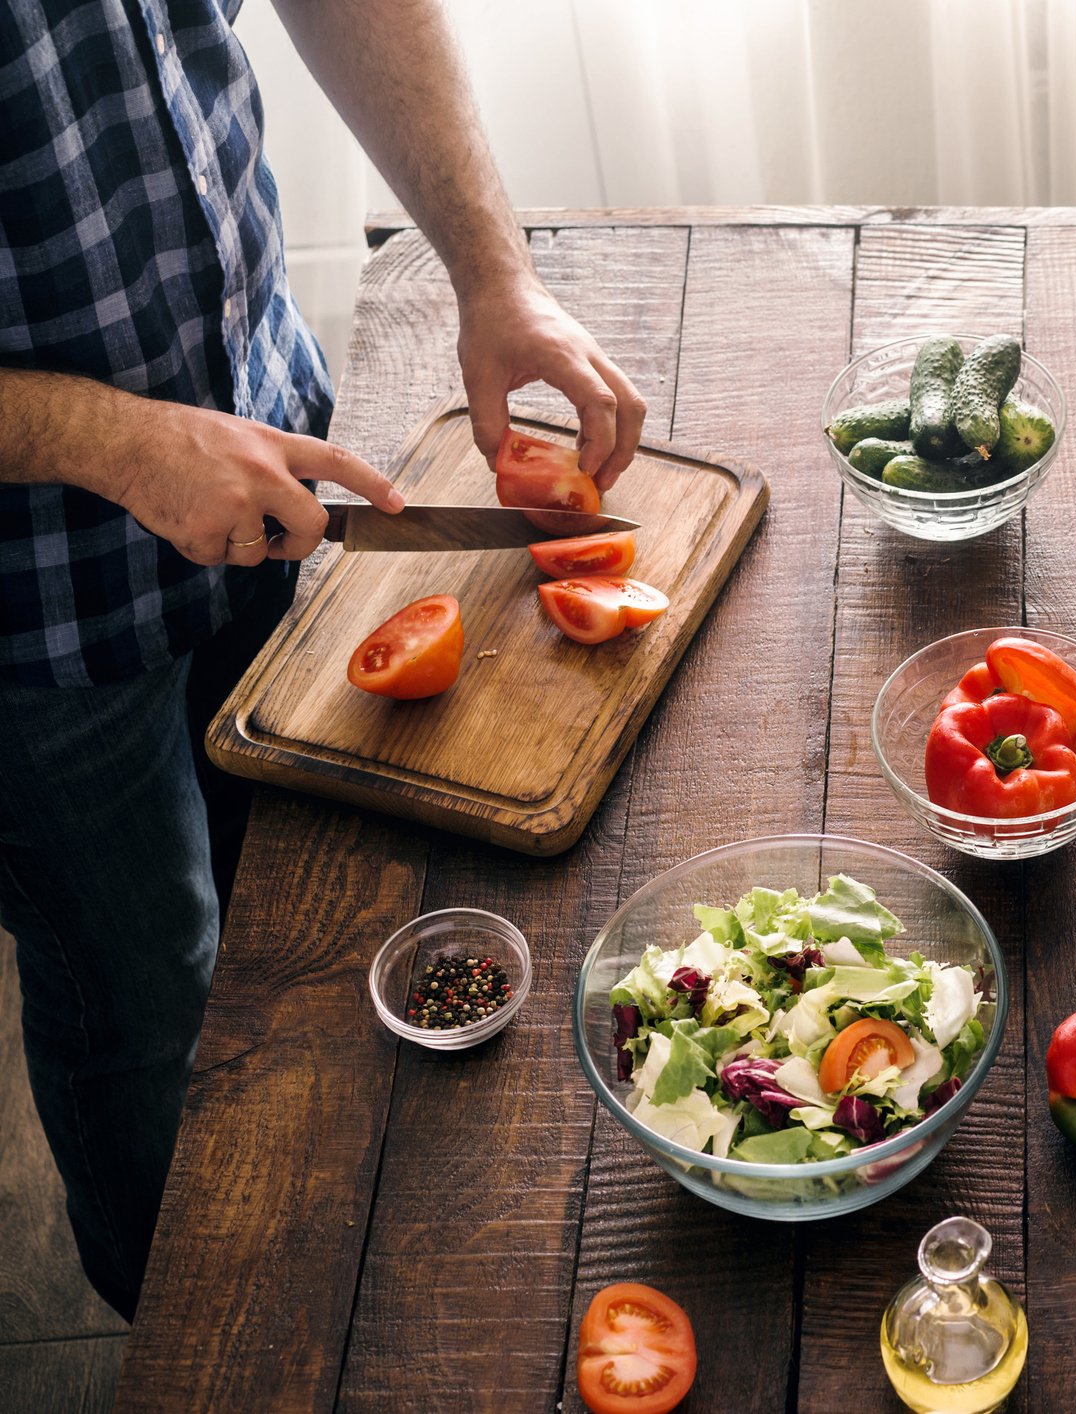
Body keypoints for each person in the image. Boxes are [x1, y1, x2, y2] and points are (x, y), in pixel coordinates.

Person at [0, 0, 647, 1319]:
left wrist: (492, 267)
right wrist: (114, 442)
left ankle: (309, 1229)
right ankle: (181, 1325)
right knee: (136, 1002)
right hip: (32, 610)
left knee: (291, 912)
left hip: (260, 436)